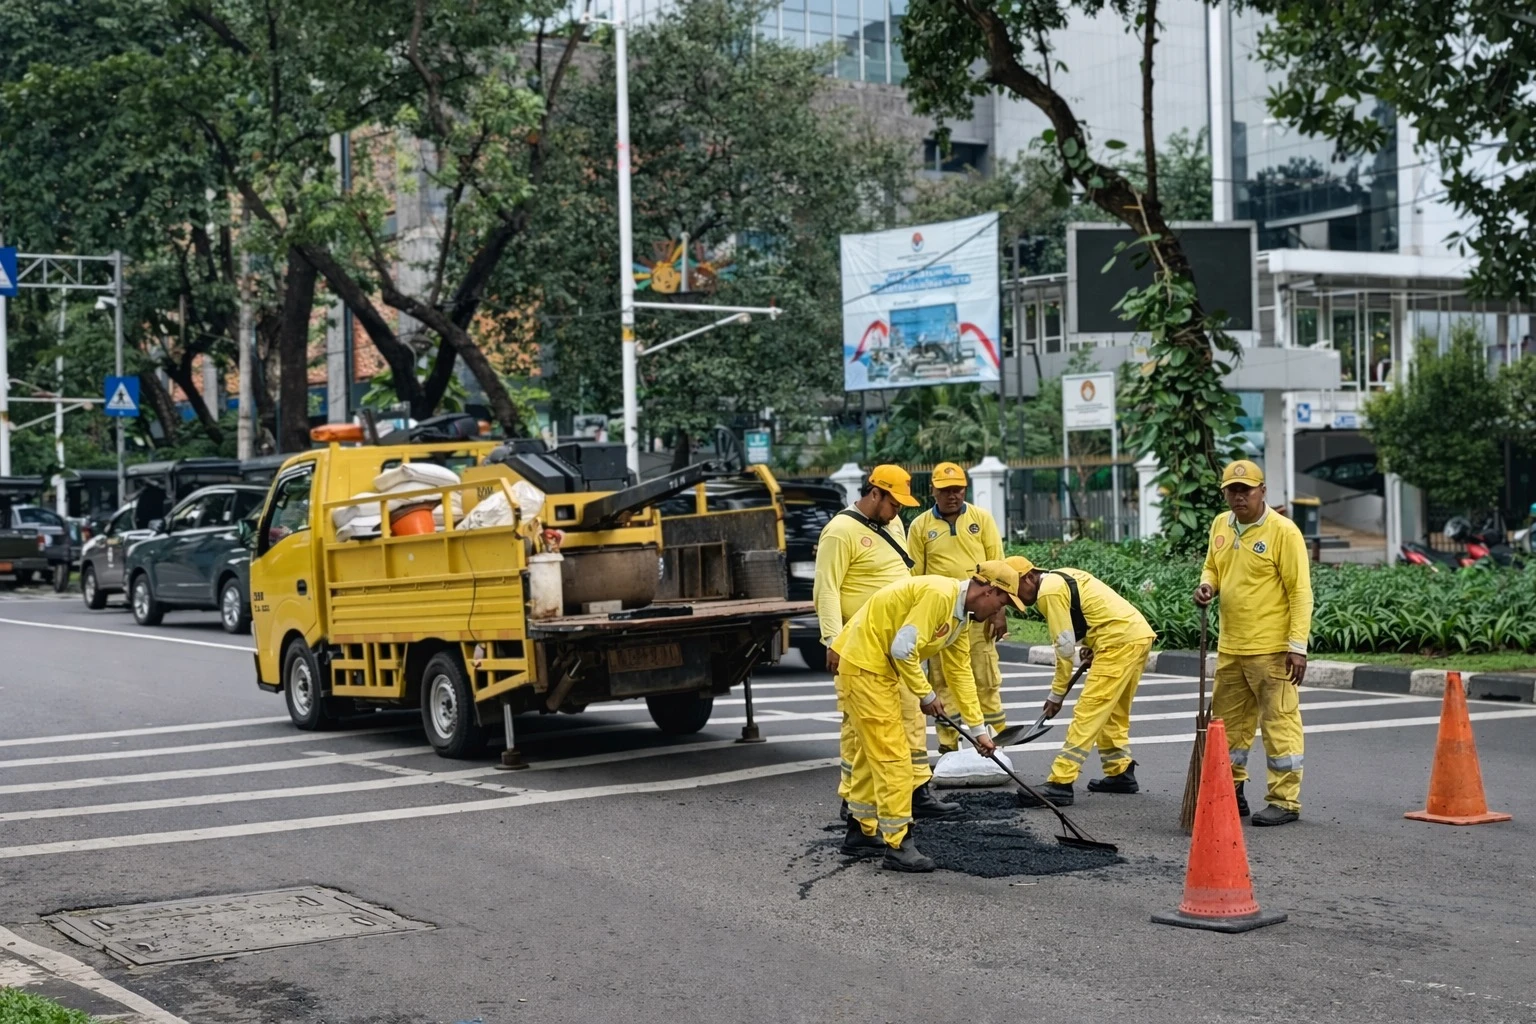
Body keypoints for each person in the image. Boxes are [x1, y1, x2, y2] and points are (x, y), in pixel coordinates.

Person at [832, 562, 1024, 871]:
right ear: (989, 590)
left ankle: (860, 831)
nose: (997, 612)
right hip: (864, 666)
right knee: (893, 756)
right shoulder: (939, 595)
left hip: (879, 669)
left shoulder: (960, 617)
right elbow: (903, 648)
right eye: (1001, 603)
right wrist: (927, 695)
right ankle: (898, 844)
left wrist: (978, 732)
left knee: (872, 755)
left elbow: (960, 672)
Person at [812, 465, 959, 822]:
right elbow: (826, 590)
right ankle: (853, 800)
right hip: (860, 645)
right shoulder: (840, 531)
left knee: (910, 718)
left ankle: (916, 789)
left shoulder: (893, 523)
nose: (899, 511)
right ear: (874, 493)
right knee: (859, 728)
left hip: (898, 641)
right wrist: (833, 641)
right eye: (894, 503)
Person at [1193, 459, 1314, 827]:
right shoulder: (1220, 525)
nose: (1238, 496)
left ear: (1263, 491)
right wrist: (1207, 585)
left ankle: (1284, 801)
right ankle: (1232, 790)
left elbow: (1300, 592)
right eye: (1232, 490)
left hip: (1272, 651)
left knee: (1279, 723)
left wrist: (1297, 646)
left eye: (1246, 490)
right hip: (1231, 647)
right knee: (1228, 726)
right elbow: (1213, 566)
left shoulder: (1284, 532)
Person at [1007, 555, 1156, 806]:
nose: (1019, 600)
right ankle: (1119, 771)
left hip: (1118, 642)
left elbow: (1064, 650)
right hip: (1135, 636)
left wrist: (1056, 696)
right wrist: (1091, 644)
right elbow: (1090, 612)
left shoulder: (1048, 593)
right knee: (1113, 711)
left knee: (1089, 712)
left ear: (1029, 576)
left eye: (1017, 592)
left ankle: (1060, 783)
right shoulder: (1058, 577)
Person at [908, 462, 1008, 754]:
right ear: (933, 492)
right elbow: (916, 578)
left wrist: (999, 612)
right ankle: (948, 746)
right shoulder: (921, 526)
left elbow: (998, 568)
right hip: (943, 618)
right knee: (943, 683)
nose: (953, 496)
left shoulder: (982, 519)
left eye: (958, 489)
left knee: (985, 679)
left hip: (980, 615)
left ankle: (998, 742)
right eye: (945, 490)